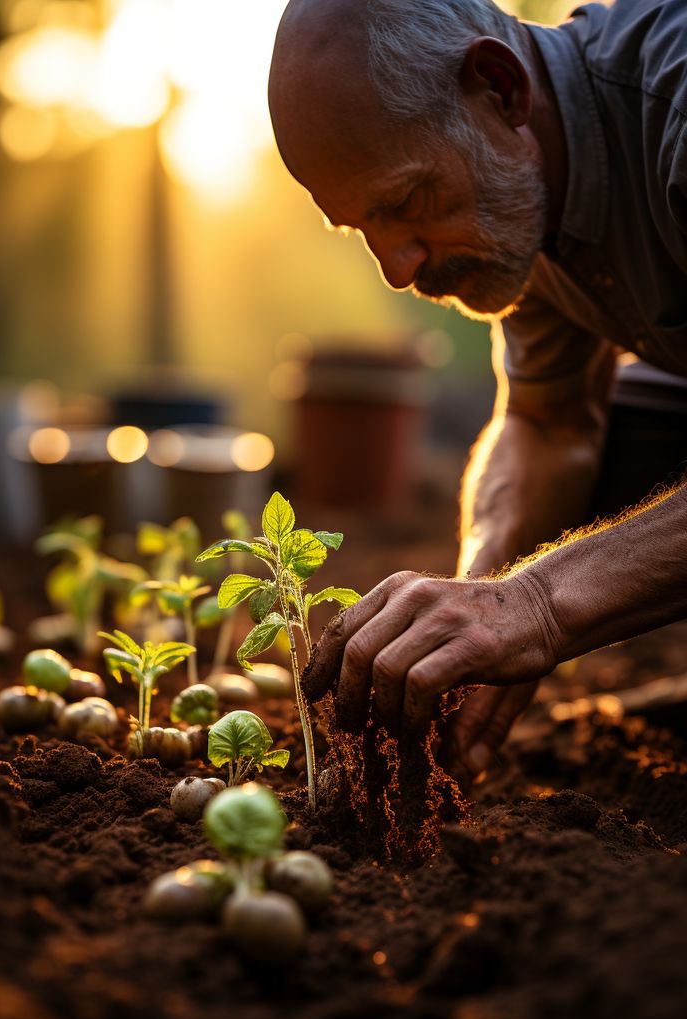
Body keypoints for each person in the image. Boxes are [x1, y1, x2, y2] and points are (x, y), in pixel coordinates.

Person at [268, 0, 687, 775]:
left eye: (403, 202)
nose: (396, 267)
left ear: (499, 88)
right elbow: (549, 421)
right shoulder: (520, 195)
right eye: (362, 227)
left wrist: (540, 604)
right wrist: (477, 610)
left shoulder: (675, 107)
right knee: (623, 458)